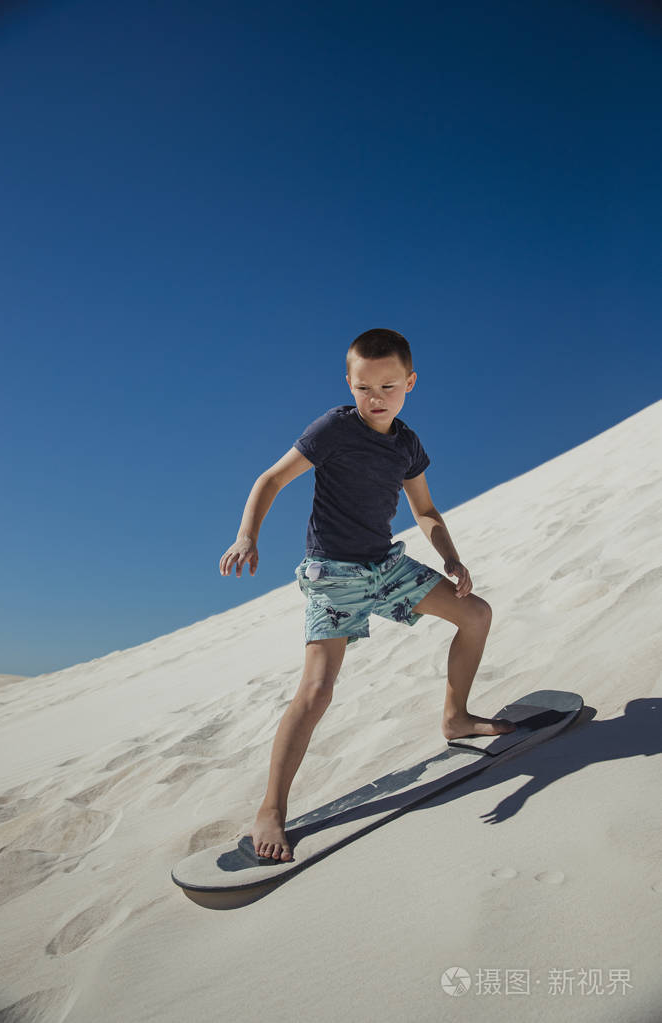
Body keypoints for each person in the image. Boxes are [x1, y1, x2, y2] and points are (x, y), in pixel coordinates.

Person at [219, 328, 516, 863]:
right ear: (349, 384)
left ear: (410, 383)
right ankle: (271, 808)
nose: (376, 398)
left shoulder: (406, 444)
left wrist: (449, 555)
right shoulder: (333, 429)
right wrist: (247, 535)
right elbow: (272, 479)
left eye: (388, 386)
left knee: (475, 614)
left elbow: (424, 511)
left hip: (386, 565)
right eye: (363, 387)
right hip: (334, 575)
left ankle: (456, 717)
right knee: (316, 692)